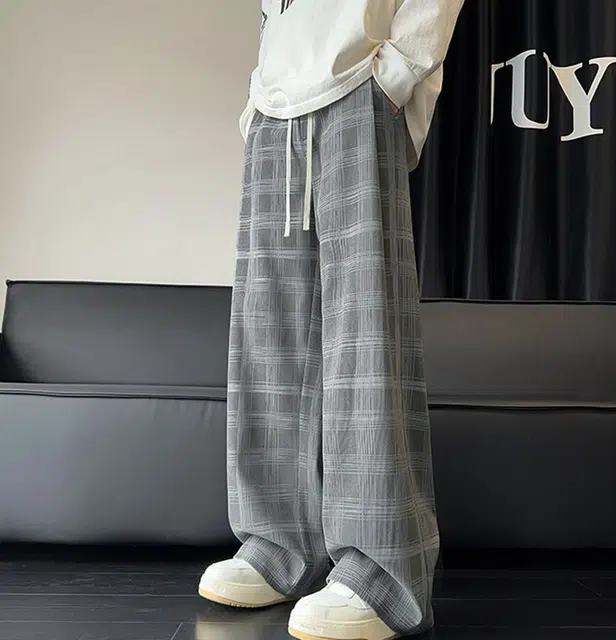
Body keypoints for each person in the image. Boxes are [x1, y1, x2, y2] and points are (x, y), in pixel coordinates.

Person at [199, 1, 464, 638]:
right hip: (275, 106)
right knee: (266, 336)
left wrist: (400, 71)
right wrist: (257, 96)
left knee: (364, 333)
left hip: (360, 81)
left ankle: (379, 569)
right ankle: (275, 544)